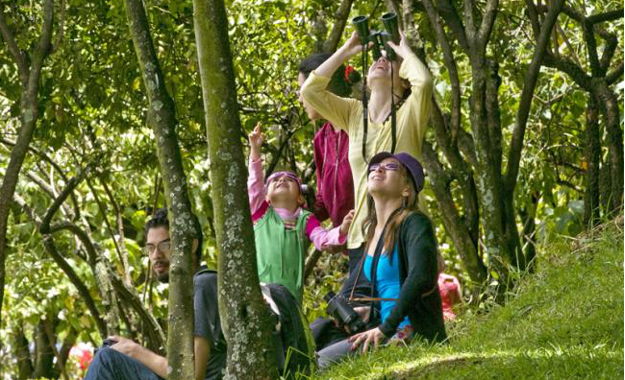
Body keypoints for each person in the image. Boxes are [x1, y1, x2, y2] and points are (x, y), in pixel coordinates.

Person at [85, 209, 312, 380]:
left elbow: (192, 375)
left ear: (191, 245)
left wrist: (133, 350)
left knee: (108, 360)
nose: (155, 255)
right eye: (150, 248)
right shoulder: (197, 288)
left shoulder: (203, 285)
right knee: (108, 352)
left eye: (165, 245)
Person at [300, 31, 433, 281]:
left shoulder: (411, 113)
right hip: (363, 233)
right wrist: (347, 50)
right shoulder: (352, 113)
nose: (380, 60)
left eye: (388, 60)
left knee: (402, 313)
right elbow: (310, 92)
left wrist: (404, 52)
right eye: (376, 59)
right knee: (364, 315)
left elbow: (423, 82)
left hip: (404, 229)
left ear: (404, 78)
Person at [316, 152, 446, 368]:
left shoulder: (415, 223)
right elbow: (389, 290)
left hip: (408, 332)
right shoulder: (374, 234)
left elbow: (420, 277)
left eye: (392, 167)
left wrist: (386, 327)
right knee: (309, 355)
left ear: (406, 190)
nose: (378, 168)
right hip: (383, 329)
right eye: (376, 166)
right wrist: (371, 312)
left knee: (320, 364)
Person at [248, 123, 354, 303]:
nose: (282, 179)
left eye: (289, 180)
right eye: (275, 180)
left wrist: (342, 230)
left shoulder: (305, 219)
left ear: (300, 199)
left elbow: (323, 239)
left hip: (291, 296)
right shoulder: (261, 213)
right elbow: (254, 184)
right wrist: (255, 150)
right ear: (266, 197)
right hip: (261, 292)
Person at [298, 53, 357, 230]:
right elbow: (325, 200)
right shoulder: (322, 139)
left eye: (302, 91)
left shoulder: (359, 123)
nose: (300, 100)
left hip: (377, 237)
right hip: (350, 243)